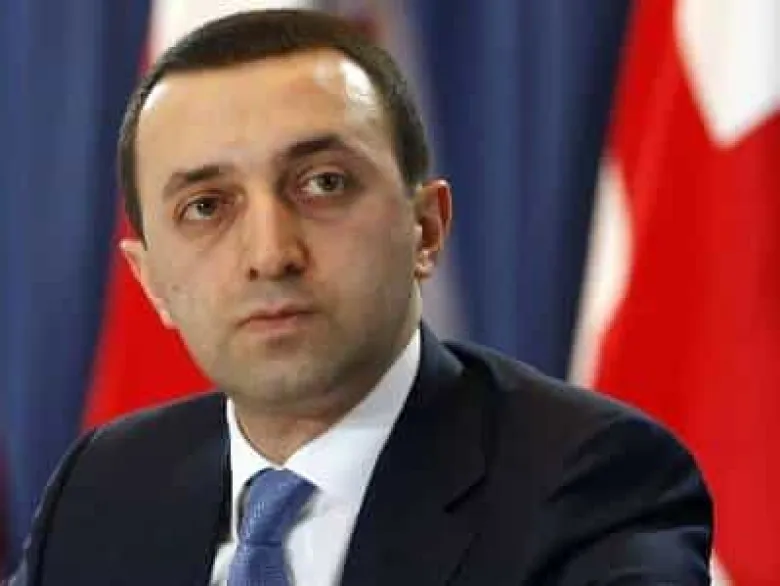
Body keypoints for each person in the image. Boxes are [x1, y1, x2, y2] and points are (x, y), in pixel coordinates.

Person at [6, 9, 712, 586]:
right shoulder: (102, 488)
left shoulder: (592, 483)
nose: (270, 254)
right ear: (151, 281)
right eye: (207, 206)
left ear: (426, 228)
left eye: (324, 184)